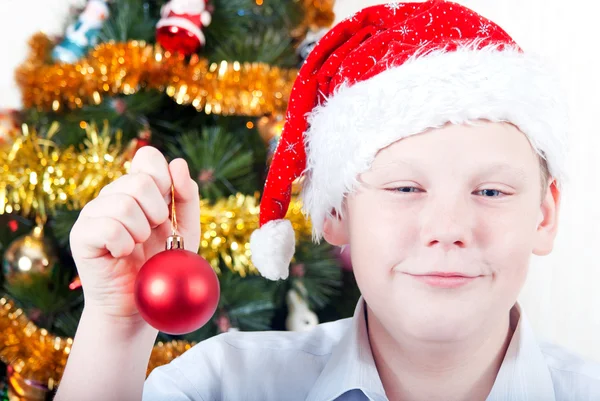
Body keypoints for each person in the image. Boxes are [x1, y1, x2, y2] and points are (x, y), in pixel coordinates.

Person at [55, 1, 600, 400]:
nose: (449, 227)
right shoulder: (222, 386)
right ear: (335, 211)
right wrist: (118, 327)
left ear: (545, 215)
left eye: (491, 191)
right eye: (405, 188)